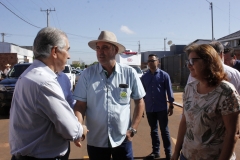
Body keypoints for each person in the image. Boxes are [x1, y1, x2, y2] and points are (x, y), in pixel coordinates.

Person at [9, 27, 87, 160]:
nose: (69, 56)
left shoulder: (27, 75)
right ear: (55, 51)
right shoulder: (45, 82)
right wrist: (81, 130)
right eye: (67, 50)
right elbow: (71, 130)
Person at [73, 30, 146, 160]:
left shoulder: (129, 73)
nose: (100, 52)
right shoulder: (87, 75)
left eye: (105, 47)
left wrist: (133, 129)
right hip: (96, 141)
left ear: (115, 49)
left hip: (122, 139)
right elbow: (80, 105)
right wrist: (80, 127)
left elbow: (139, 101)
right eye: (98, 48)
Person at [172, 44, 240, 160]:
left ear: (208, 62)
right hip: (187, 155)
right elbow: (185, 121)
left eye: (193, 61)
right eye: (188, 61)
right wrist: (176, 152)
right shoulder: (190, 88)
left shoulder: (226, 91)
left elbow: (232, 134)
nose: (188, 65)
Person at [141, 54, 174, 160]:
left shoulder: (164, 75)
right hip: (150, 108)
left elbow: (169, 90)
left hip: (161, 108)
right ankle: (156, 152)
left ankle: (168, 153)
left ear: (158, 62)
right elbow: (142, 94)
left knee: (164, 130)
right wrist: (141, 108)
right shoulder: (144, 77)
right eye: (149, 61)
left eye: (153, 60)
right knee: (153, 131)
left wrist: (171, 105)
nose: (151, 63)